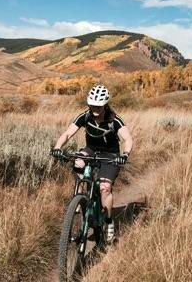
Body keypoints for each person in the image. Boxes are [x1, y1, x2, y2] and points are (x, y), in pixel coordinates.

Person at [51, 84, 133, 242]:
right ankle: (80, 197)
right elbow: (68, 133)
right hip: (91, 150)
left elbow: (128, 139)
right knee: (78, 161)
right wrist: (57, 147)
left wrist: (125, 154)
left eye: (99, 106)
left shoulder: (114, 120)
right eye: (92, 105)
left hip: (111, 155)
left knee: (105, 188)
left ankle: (109, 222)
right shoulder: (85, 117)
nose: (95, 108)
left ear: (105, 105)